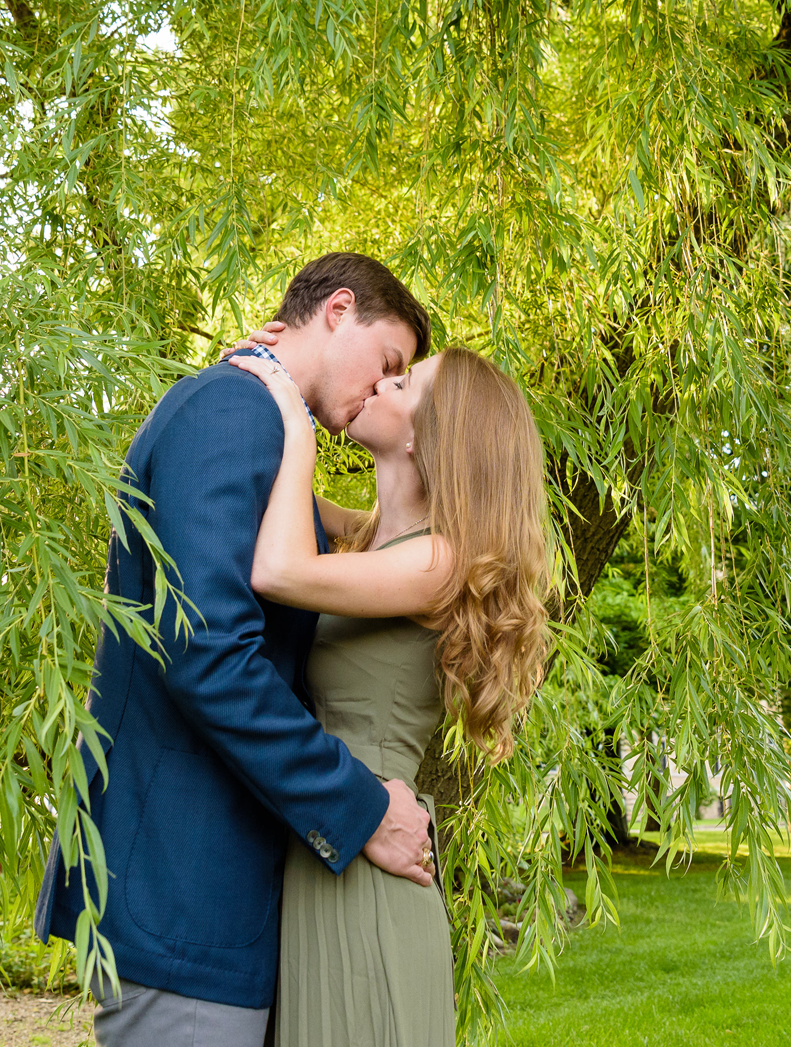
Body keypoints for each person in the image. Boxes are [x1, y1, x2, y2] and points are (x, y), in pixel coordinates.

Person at [32, 252, 439, 1047]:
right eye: (387, 362)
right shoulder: (231, 412)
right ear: (337, 310)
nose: (382, 388)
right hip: (189, 892)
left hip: (228, 898)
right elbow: (210, 652)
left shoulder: (261, 423)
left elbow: (358, 547)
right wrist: (359, 809)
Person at [224, 325, 553, 1047]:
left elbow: (278, 569)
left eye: (402, 384)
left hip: (368, 861)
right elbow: (269, 508)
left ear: (427, 441)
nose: (378, 382)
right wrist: (271, 370)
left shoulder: (440, 561)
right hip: (334, 833)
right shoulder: (371, 537)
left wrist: (292, 412)